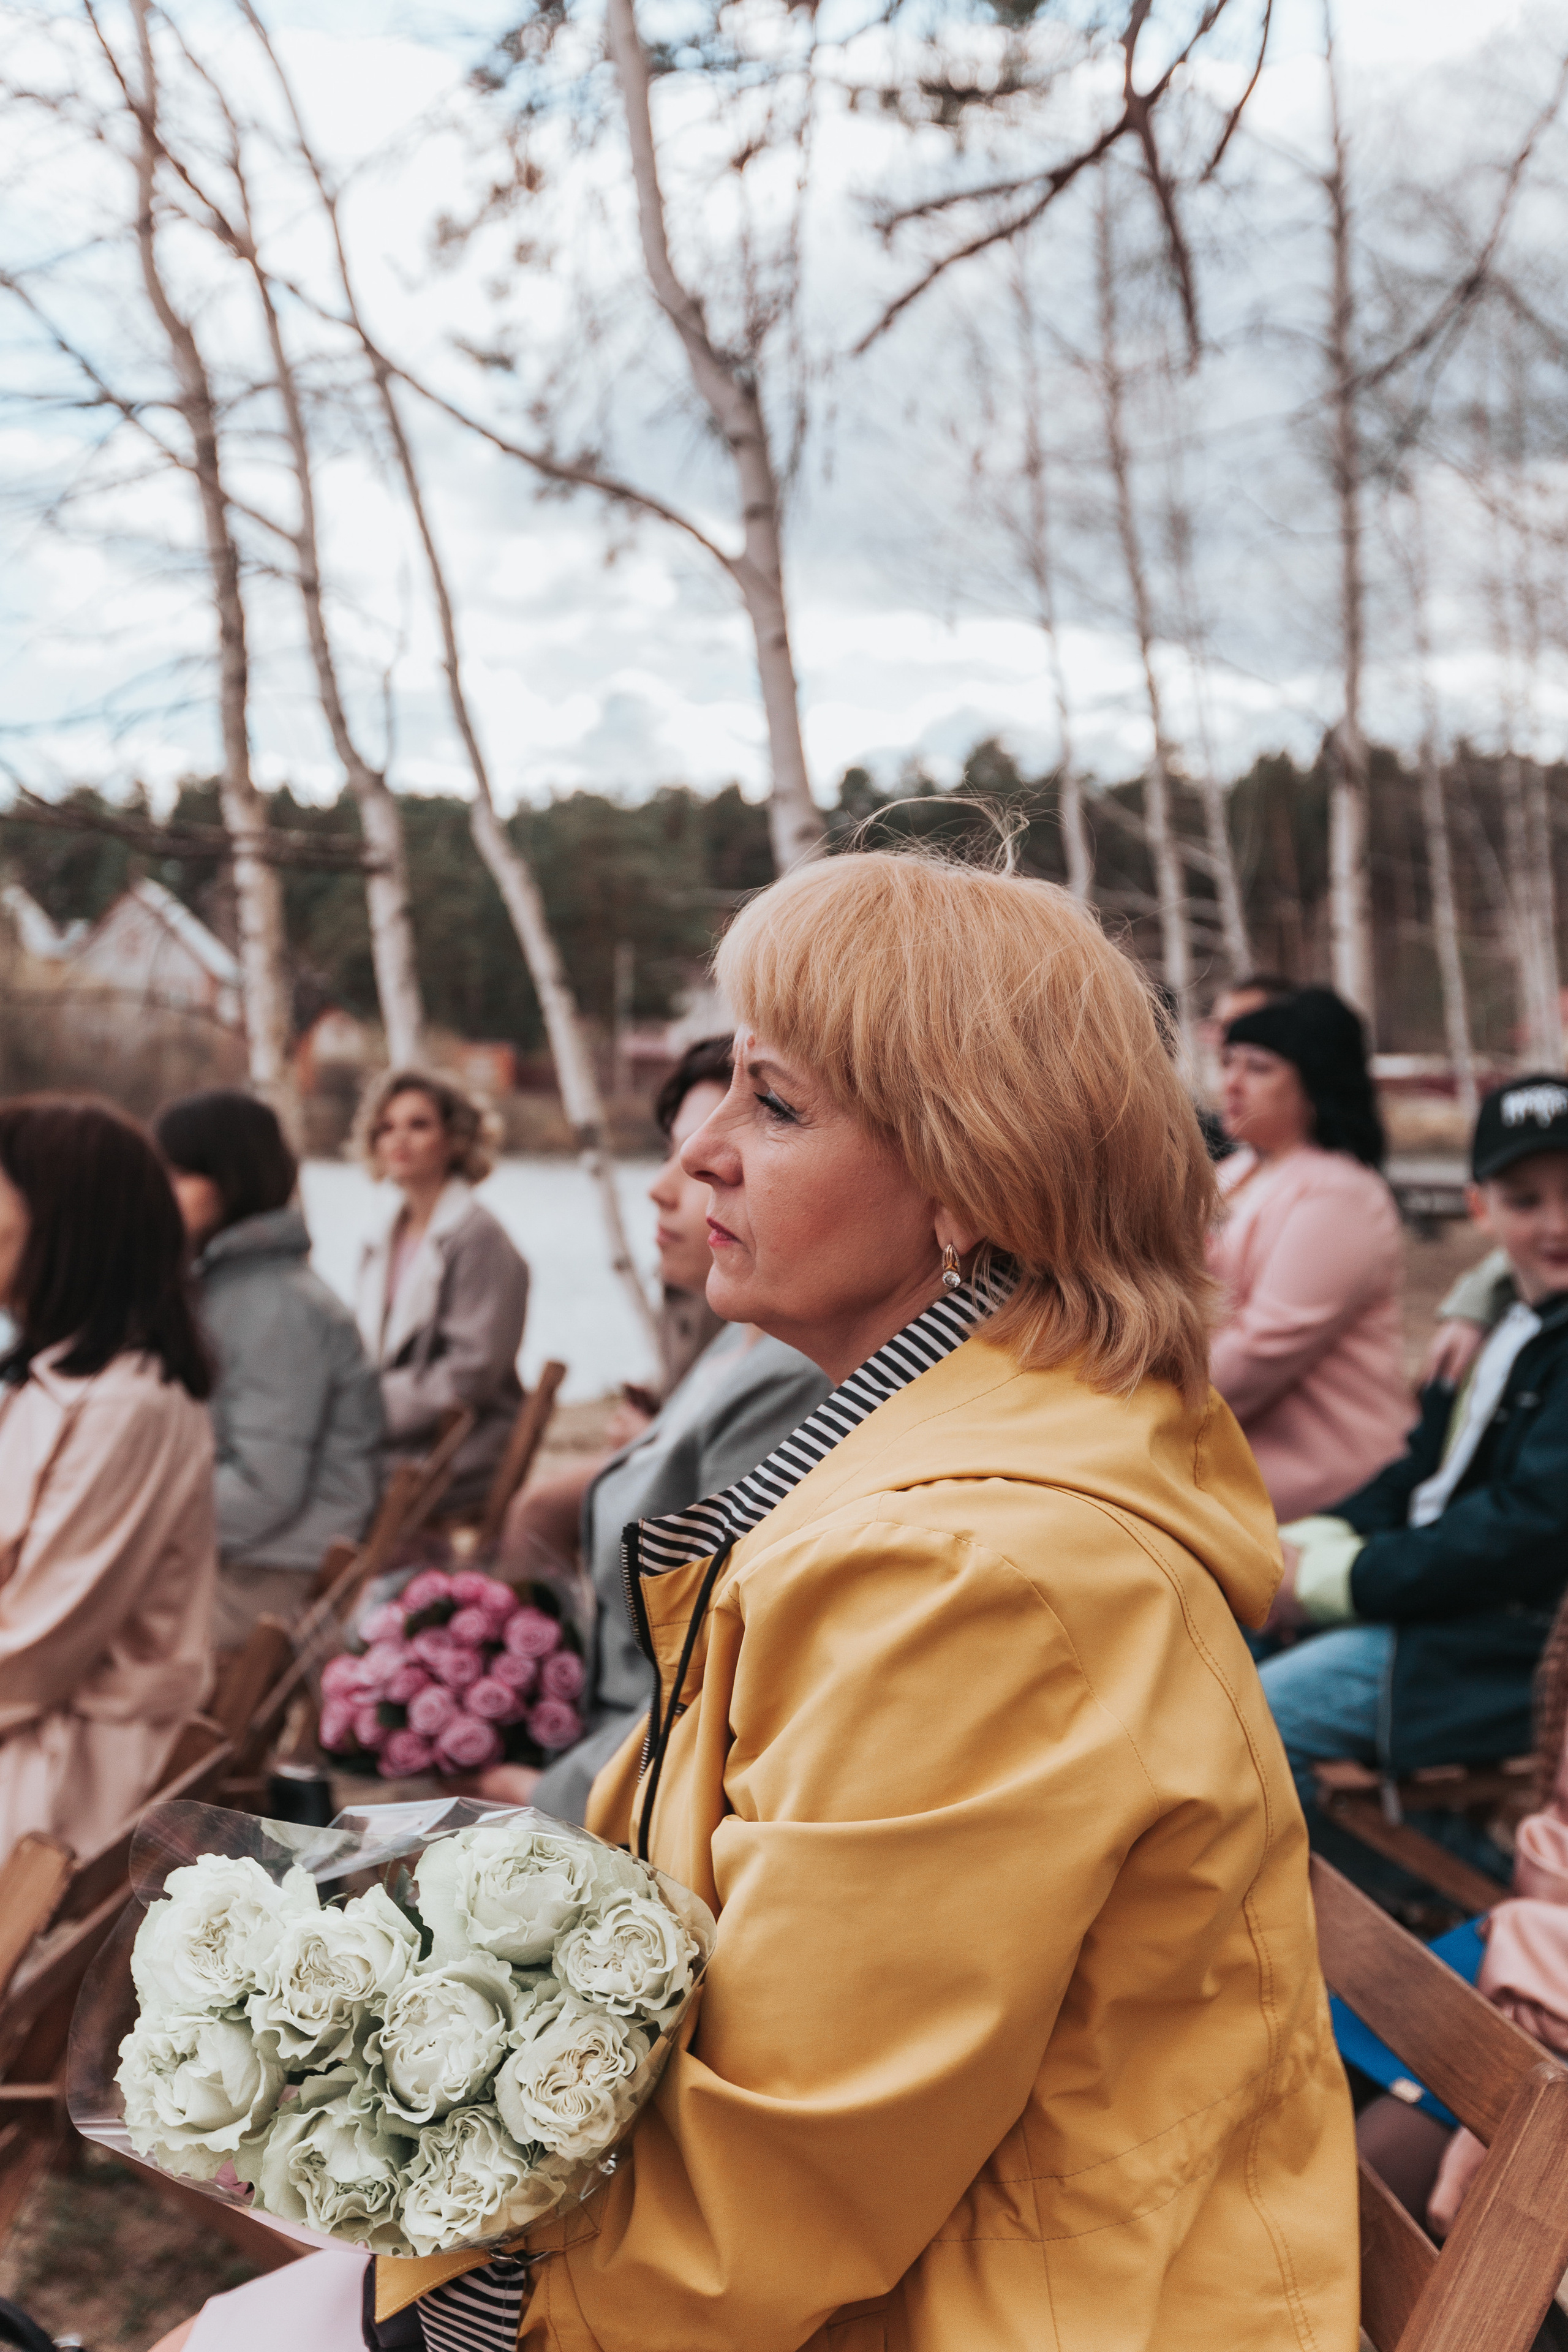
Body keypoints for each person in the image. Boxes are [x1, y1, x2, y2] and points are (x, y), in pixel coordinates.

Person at [168, 851, 1355, 2352]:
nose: (697, 1156)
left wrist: (433, 2319)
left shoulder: (972, 1580)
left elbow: (770, 2186)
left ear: (971, 1175)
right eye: (721, 1088)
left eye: (773, 1104)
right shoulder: (928, 1484)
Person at [488, 1035, 830, 1821]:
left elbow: (715, 1677)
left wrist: (548, 1794)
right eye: (676, 1151)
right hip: (613, 1753)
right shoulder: (730, 1346)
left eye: (769, 1116)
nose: (679, 1181)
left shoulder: (794, 1373)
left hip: (635, 1781)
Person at [1259, 1075, 1568, 1815]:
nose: (1557, 1224)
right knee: (1204, 1665)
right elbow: (1417, 1470)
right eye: (1525, 1200)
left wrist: (1336, 1577)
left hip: (1494, 1650)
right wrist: (1297, 1544)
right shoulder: (1498, 1327)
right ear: (1478, 1208)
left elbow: (1525, 1530)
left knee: (1246, 1728)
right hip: (1435, 1607)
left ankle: (1417, 1912)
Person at [0, 1098, 216, 1862]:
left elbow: (34, 1650)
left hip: (64, 1773)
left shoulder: (130, 1403)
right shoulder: (55, 1377)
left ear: (63, 1220)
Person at [155, 1090, 384, 1648]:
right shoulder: (234, 1287)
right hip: (247, 1557)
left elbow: (265, 1486)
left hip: (267, 1577)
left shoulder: (275, 1307)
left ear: (232, 1180)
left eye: (181, 1175)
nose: (158, 1192)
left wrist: (142, 1529)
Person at [1208, 984, 1412, 1522]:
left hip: (1331, 1490)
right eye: (1228, 1063)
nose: (1231, 1083)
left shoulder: (1338, 1194)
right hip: (1245, 1480)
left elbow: (1261, 1350)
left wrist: (1133, 1388)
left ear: (1313, 1081)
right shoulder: (1234, 1173)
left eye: (1258, 1067)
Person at [353, 1069, 530, 1519]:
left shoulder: (479, 1237)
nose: (399, 1139)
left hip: (464, 1442)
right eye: (386, 1127)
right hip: (397, 1433)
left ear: (454, 1139)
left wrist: (363, 1410)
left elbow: (471, 1374)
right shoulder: (381, 1237)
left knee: (334, 1483)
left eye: (419, 1125)